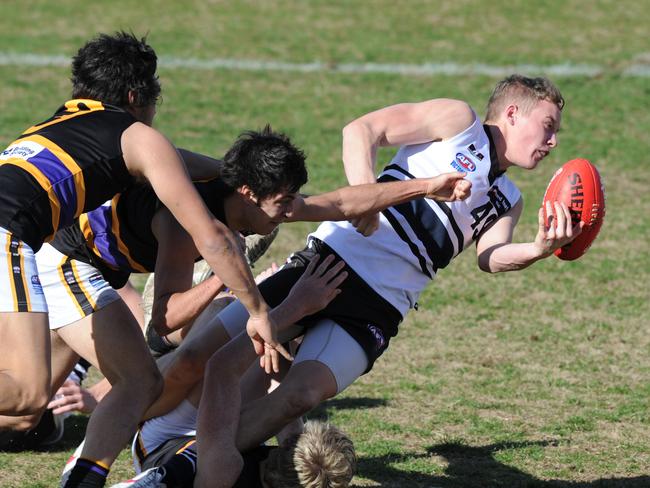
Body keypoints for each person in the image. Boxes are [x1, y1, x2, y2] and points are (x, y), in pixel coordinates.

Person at [163, 74, 583, 457]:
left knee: (298, 396)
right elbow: (362, 130)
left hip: (381, 304)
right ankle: (137, 429)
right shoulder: (459, 122)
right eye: (548, 126)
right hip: (328, 263)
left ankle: (183, 466)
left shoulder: (509, 198)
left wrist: (539, 248)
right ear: (512, 113)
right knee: (198, 354)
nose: (553, 142)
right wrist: (366, 197)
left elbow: (490, 257)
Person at [0, 31, 280, 488]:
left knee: (135, 382)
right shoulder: (135, 135)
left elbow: (202, 166)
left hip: (20, 240)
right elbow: (210, 236)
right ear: (136, 96)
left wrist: (255, 185)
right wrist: (257, 309)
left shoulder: (68, 123)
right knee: (28, 393)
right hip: (8, 235)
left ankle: (82, 480)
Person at [111, 254, 356, 488]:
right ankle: (252, 307)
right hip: (208, 451)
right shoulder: (272, 472)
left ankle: (168, 336)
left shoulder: (223, 469)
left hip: (163, 443)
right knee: (276, 369)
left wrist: (291, 308)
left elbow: (221, 368)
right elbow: (285, 416)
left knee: (219, 325)